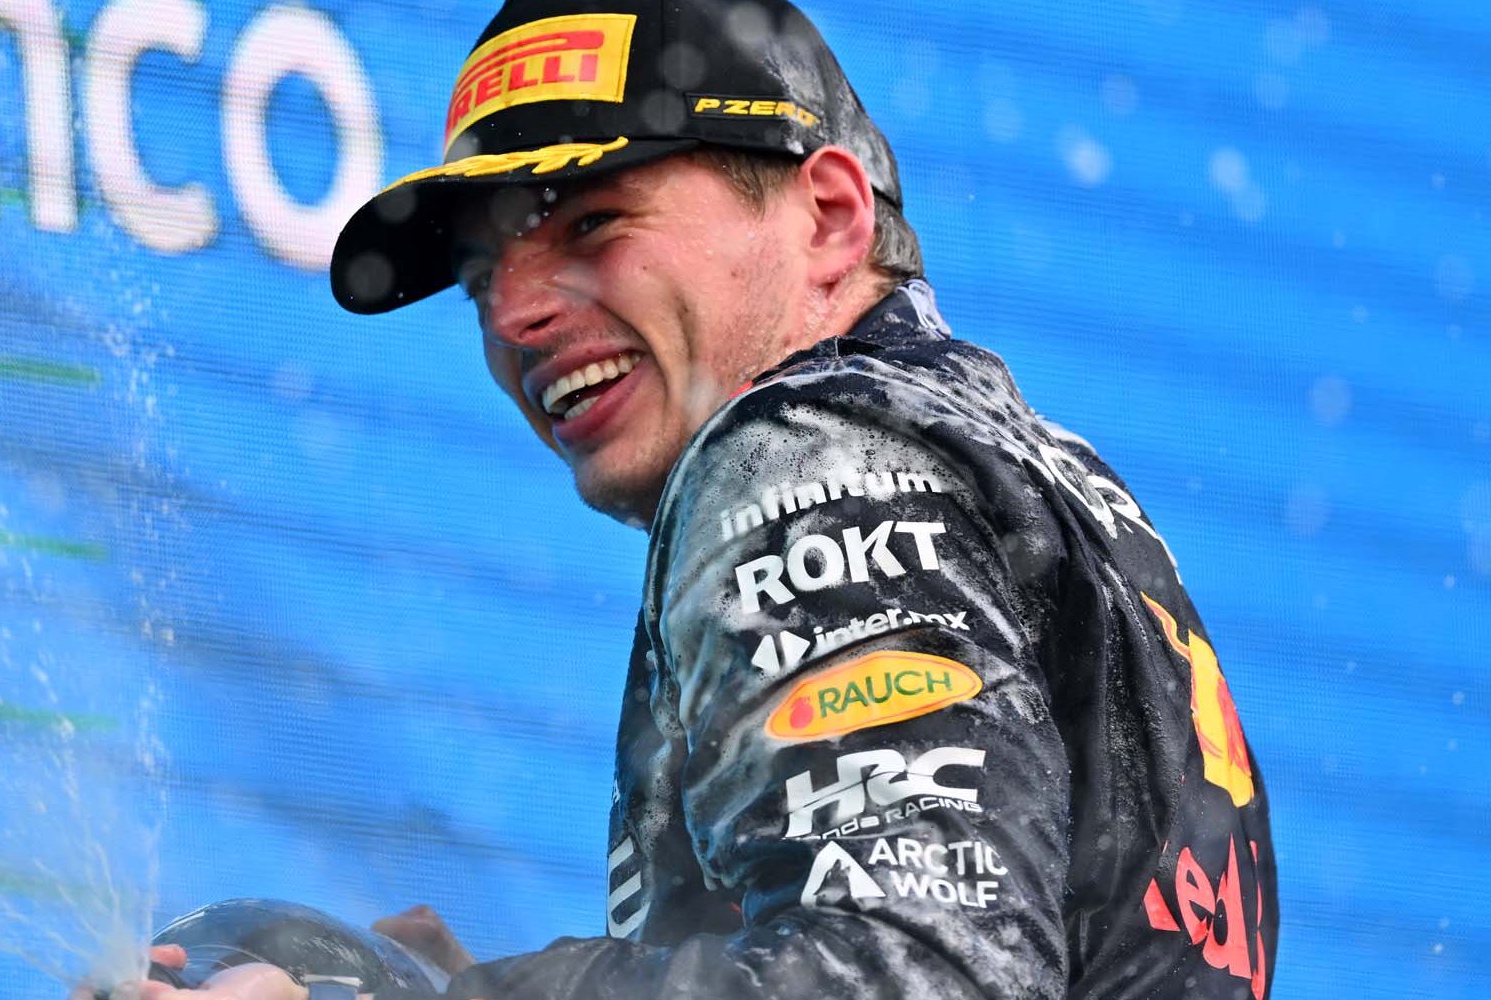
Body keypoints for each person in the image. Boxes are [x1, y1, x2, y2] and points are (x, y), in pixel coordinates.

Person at [103, 0, 1279, 996]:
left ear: (828, 216)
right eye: (479, 281)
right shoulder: (1037, 471)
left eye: (593, 224)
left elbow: (915, 972)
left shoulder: (808, 454)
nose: (515, 317)